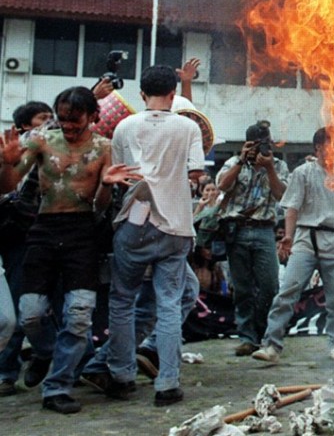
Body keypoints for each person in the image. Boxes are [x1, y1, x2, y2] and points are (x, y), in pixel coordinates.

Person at [0, 87, 139, 414]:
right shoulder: (43, 141)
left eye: (75, 120)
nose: (68, 126)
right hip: (44, 229)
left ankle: (57, 386)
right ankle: (45, 351)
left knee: (78, 316)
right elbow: (6, 186)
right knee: (30, 313)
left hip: (83, 234)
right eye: (62, 119)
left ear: (93, 116)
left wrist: (106, 185)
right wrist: (7, 165)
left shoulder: (106, 148)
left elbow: (101, 206)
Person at [102, 65, 205, 406]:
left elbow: (120, 175)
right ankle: (168, 383)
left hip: (133, 224)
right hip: (175, 227)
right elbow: (195, 175)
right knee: (169, 304)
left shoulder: (124, 126)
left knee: (121, 302)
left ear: (142, 95)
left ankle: (120, 376)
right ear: (174, 94)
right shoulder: (188, 127)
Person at [252, 128, 334, 363]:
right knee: (288, 292)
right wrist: (289, 236)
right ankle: (272, 344)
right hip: (306, 239)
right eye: (330, 145)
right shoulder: (302, 173)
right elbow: (292, 207)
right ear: (317, 148)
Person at [216, 121, 289, 356]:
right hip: (236, 230)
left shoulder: (278, 165)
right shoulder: (234, 163)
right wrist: (240, 160)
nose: (261, 149)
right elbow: (222, 186)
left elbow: (282, 196)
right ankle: (247, 336)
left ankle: (263, 332)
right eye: (256, 145)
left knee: (269, 285)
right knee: (242, 287)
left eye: (265, 143)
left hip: (264, 230)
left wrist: (269, 169)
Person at [0, 102, 56, 397]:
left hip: (30, 233)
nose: (48, 123)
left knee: (23, 306)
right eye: (42, 118)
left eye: (50, 117)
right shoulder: (16, 147)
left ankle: (10, 370)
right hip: (11, 232)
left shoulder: (48, 146)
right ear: (23, 126)